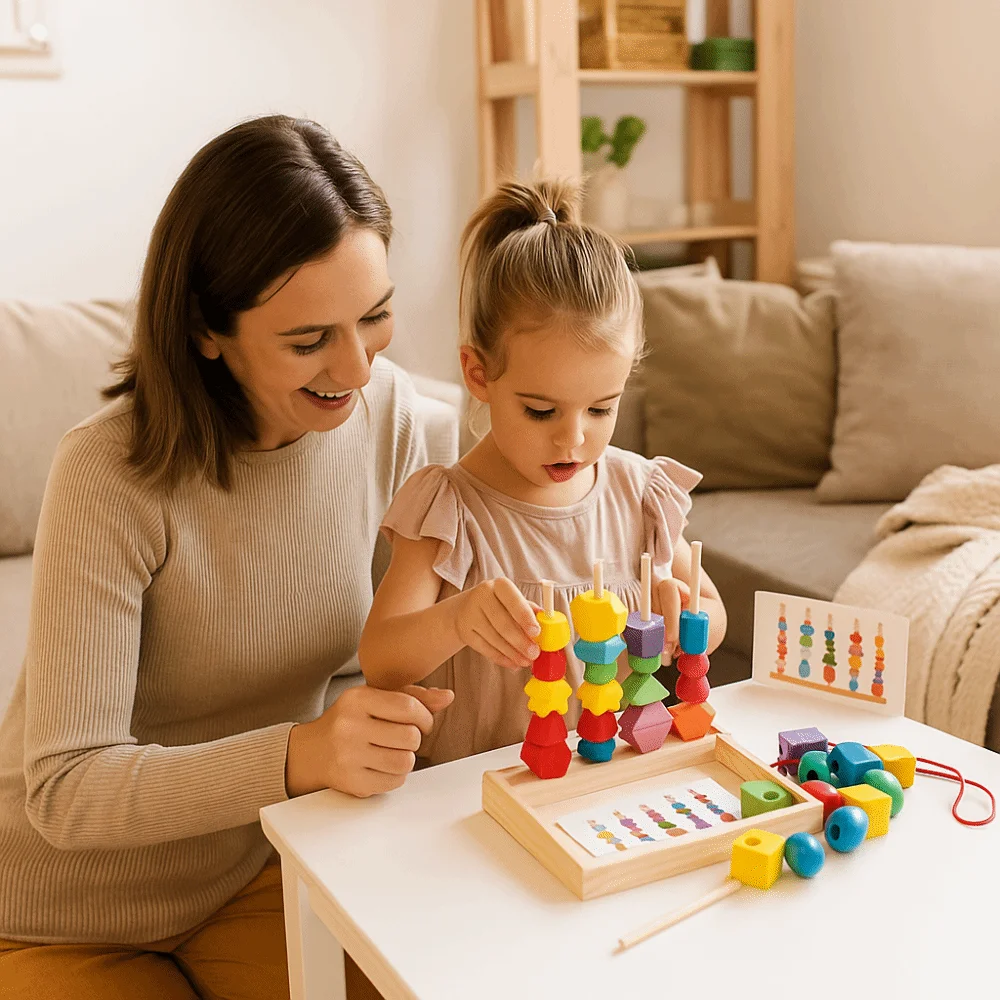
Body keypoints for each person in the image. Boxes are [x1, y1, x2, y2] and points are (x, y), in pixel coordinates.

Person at [0, 115, 453, 999]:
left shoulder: (392, 418)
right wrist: (301, 754)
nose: (357, 369)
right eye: (308, 340)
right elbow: (65, 787)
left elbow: (410, 649)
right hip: (58, 908)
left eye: (375, 316)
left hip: (256, 863)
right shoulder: (108, 473)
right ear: (209, 329)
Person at [359, 178, 727, 765]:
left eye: (601, 409)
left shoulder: (638, 493)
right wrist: (456, 620)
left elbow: (712, 610)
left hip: (602, 784)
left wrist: (689, 619)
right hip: (477, 794)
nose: (573, 439)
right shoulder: (448, 509)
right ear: (478, 375)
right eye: (540, 410)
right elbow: (381, 661)